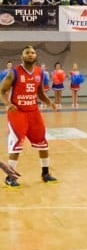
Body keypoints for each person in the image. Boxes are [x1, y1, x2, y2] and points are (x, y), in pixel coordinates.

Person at [2, 45, 58, 187]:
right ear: (22, 56)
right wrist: (8, 104)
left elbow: (40, 93)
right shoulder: (14, 73)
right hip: (18, 112)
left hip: (33, 112)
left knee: (42, 142)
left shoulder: (39, 72)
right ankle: (10, 177)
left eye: (33, 53)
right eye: (27, 53)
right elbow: (2, 90)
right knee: (17, 143)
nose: (31, 55)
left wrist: (50, 102)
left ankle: (45, 173)